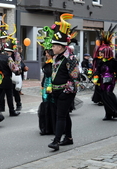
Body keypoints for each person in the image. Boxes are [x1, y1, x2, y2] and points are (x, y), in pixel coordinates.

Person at [47, 13, 80, 151]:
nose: (52, 48)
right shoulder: (57, 58)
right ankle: (69, 138)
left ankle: (56, 141)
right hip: (57, 91)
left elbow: (74, 77)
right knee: (64, 115)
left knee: (60, 116)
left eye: (54, 45)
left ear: (61, 46)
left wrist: (65, 92)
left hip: (66, 92)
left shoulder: (70, 58)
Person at [92, 24, 117, 120]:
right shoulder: (101, 61)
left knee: (108, 94)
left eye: (102, 52)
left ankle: (113, 111)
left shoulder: (113, 62)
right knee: (104, 97)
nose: (100, 54)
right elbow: (97, 70)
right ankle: (108, 114)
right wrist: (95, 77)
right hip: (101, 80)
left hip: (110, 80)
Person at [0, 38, 21, 116]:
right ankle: (11, 111)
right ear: (8, 51)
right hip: (6, 79)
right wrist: (18, 71)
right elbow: (14, 68)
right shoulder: (8, 58)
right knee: (9, 96)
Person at [37, 26, 56, 135]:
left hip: (53, 86)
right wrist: (42, 85)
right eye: (46, 53)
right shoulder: (47, 63)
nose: (46, 54)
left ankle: (53, 127)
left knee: (52, 106)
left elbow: (52, 74)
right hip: (46, 85)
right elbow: (45, 75)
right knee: (45, 105)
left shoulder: (54, 63)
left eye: (48, 52)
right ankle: (45, 127)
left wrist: (50, 85)